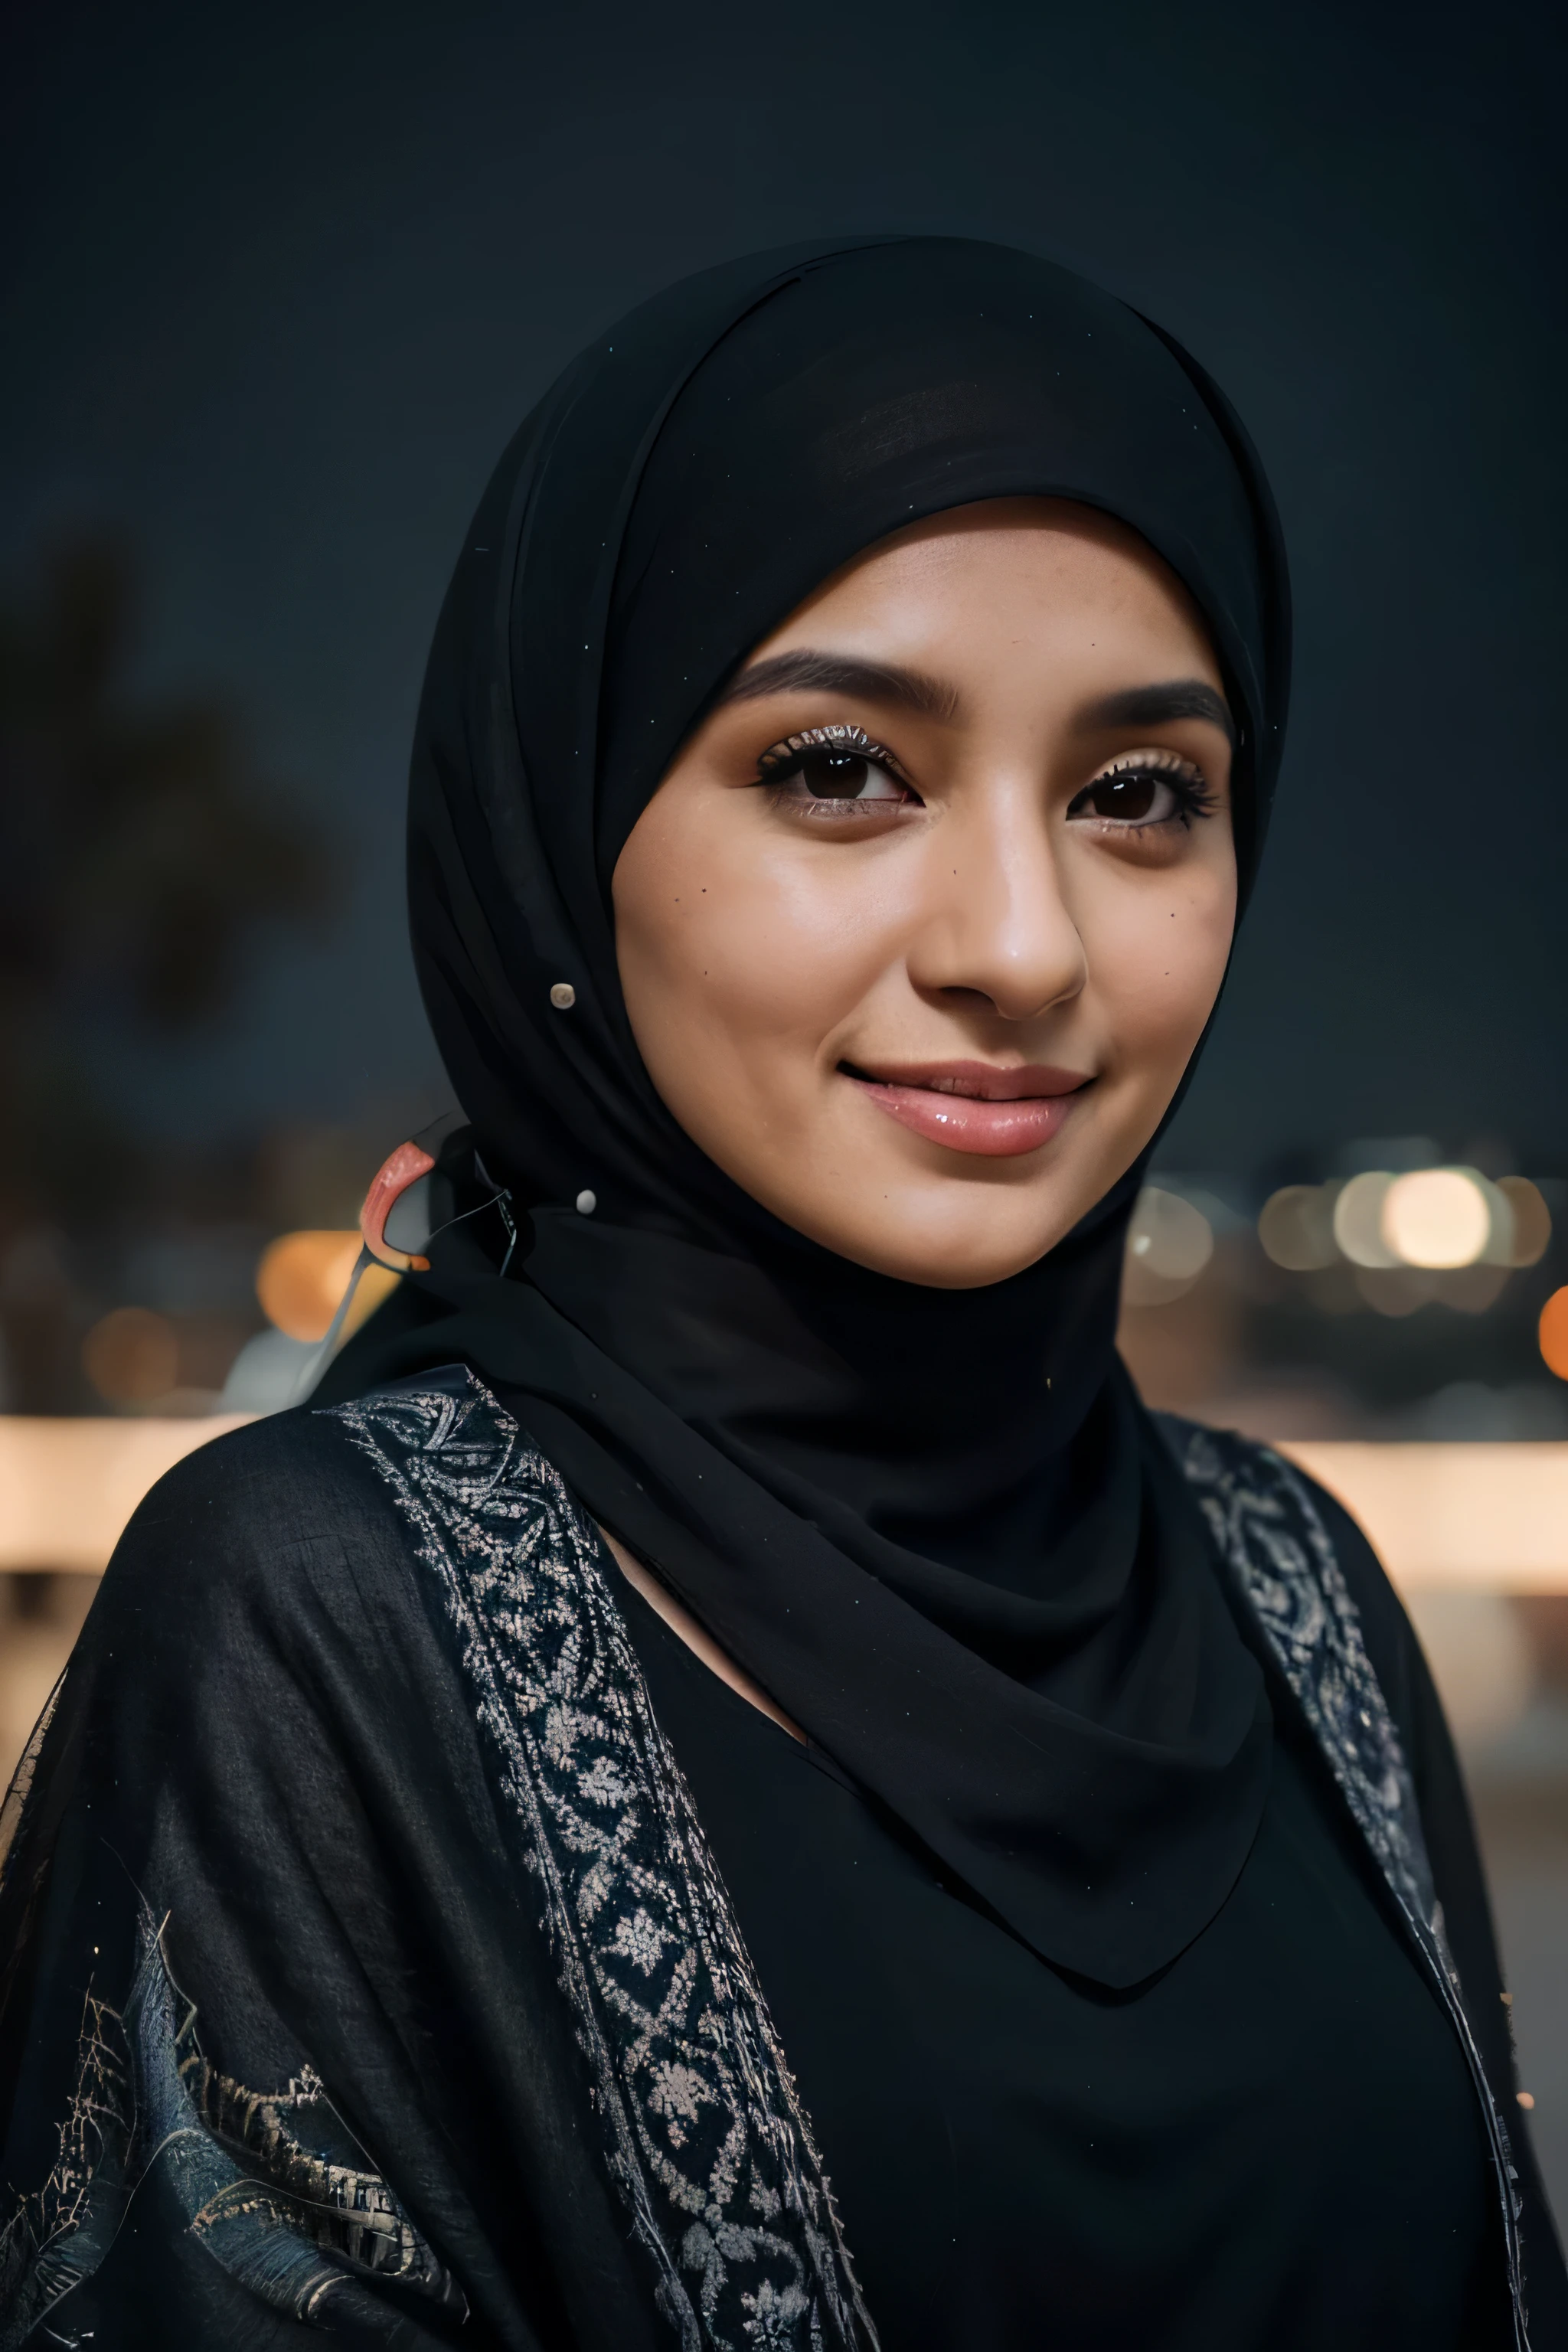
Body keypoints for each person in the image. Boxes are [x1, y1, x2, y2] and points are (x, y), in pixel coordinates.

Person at [0, 237, 1561, 2352]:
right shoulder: (314, 1625)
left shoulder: (1303, 1602)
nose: (1021, 942)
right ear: (567, 831)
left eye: (1138, 795)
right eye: (841, 769)